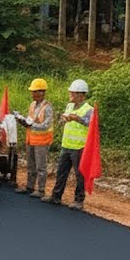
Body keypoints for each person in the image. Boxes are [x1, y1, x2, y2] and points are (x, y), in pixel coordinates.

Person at [46, 79, 93, 210]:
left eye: (72, 93)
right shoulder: (69, 106)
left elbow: (90, 124)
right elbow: (65, 121)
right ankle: (56, 196)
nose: (70, 95)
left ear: (81, 95)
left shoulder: (89, 109)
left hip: (79, 147)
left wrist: (77, 118)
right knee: (61, 172)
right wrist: (64, 118)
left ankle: (79, 200)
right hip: (66, 145)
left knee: (80, 174)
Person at [15, 78, 54, 198]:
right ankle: (30, 186)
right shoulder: (32, 105)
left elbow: (46, 125)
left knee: (40, 166)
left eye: (34, 91)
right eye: (32, 91)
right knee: (31, 165)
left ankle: (41, 190)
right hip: (30, 139)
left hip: (42, 141)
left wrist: (32, 125)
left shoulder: (47, 107)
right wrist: (23, 121)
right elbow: (30, 120)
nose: (32, 94)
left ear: (41, 92)